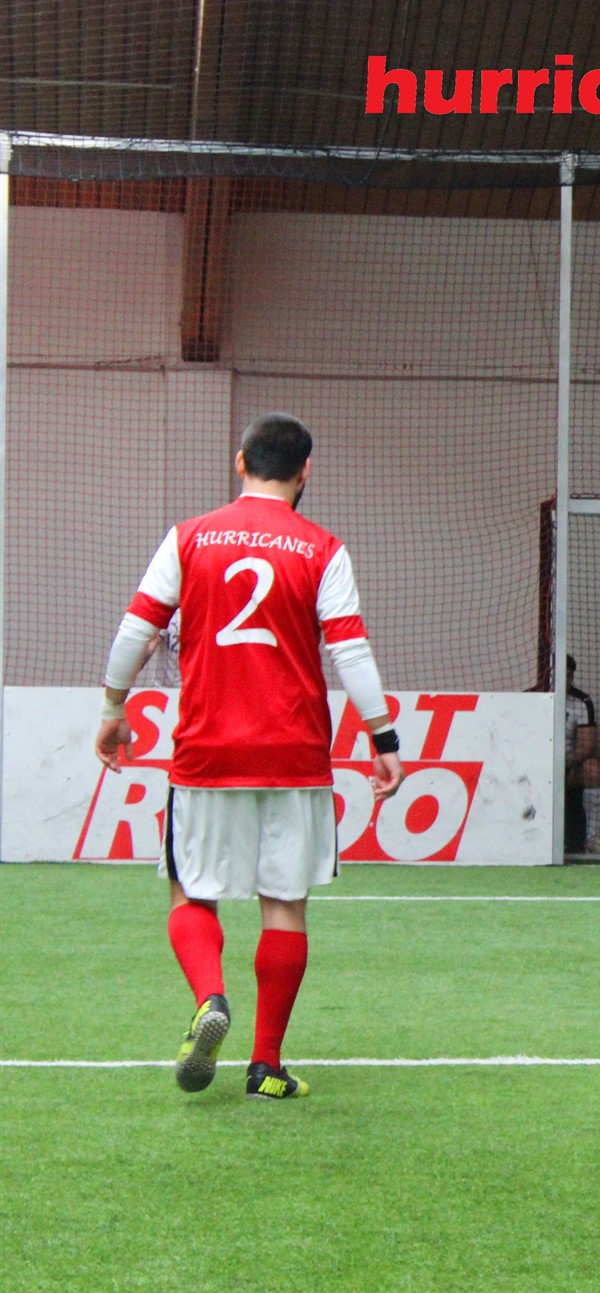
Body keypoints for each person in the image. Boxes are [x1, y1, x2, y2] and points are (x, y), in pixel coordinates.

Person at [93, 413, 404, 1102]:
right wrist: (383, 739)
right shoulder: (323, 549)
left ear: (241, 462)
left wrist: (114, 707)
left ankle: (210, 997)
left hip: (207, 750)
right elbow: (350, 651)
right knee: (284, 905)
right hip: (294, 752)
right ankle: (265, 1067)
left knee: (190, 890)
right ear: (306, 470)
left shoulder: (188, 537)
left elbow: (135, 629)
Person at [564, 655, 600, 855]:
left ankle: (593, 837)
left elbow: (587, 746)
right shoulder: (532, 697)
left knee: (593, 769)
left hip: (566, 767)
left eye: (568, 676)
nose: (564, 680)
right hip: (534, 766)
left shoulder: (582, 702)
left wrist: (564, 762)